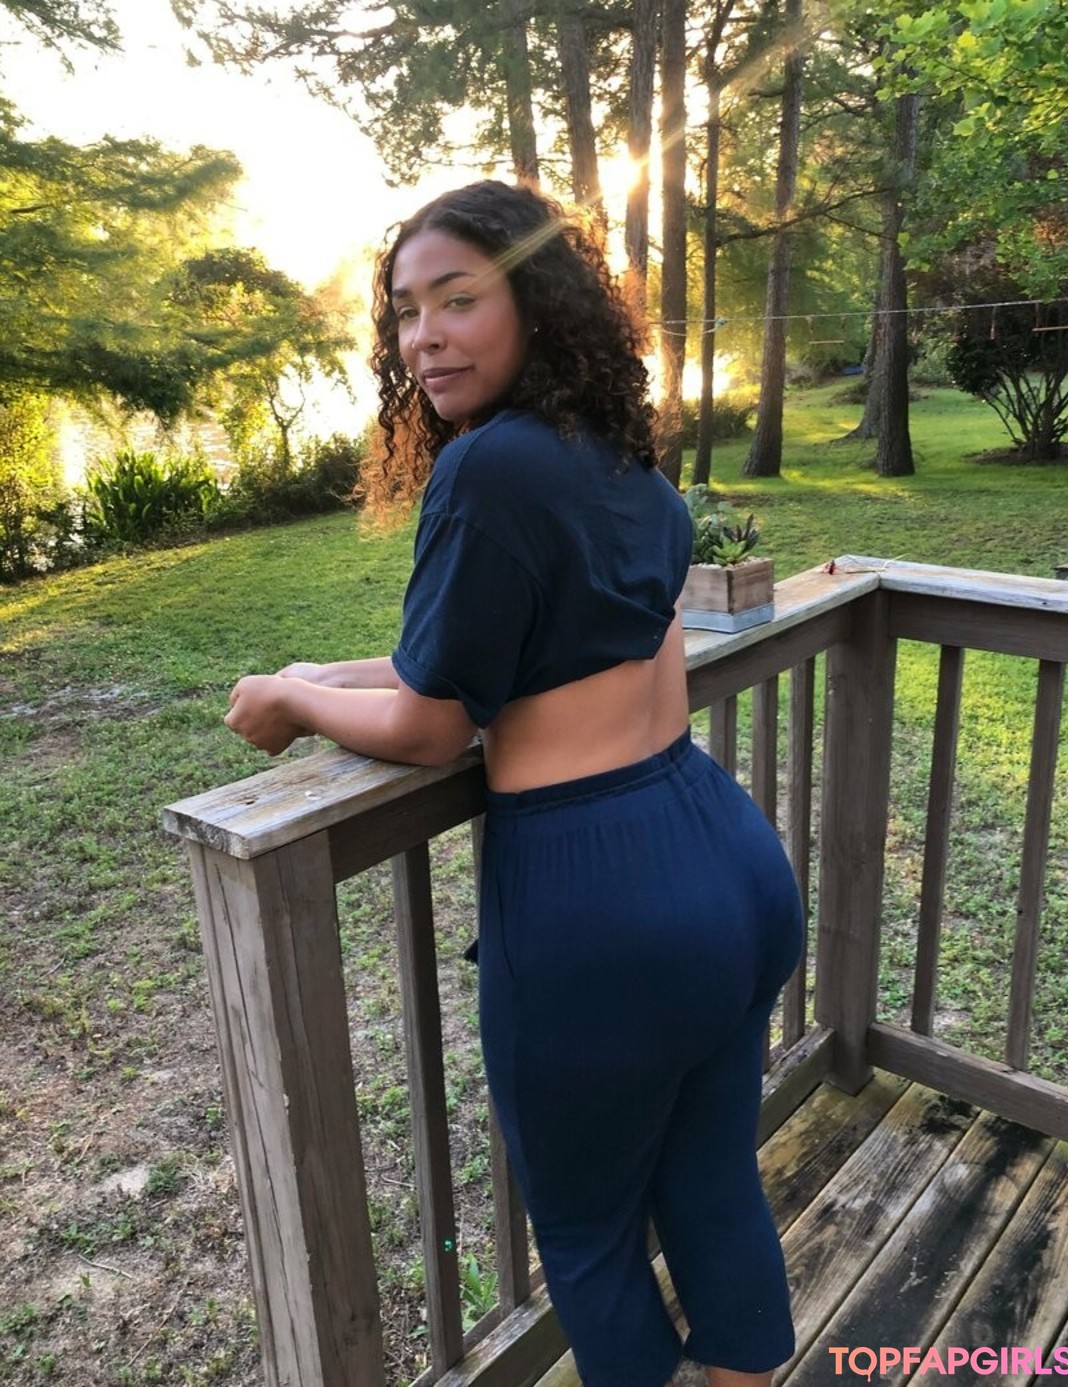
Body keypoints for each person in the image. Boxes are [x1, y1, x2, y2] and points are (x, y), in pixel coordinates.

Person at [224, 180, 804, 1387]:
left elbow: (434, 724)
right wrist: (314, 671)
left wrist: (292, 704)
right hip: (728, 861)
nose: (424, 337)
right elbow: (487, 658)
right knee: (710, 1179)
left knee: (589, 1238)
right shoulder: (621, 463)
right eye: (405, 312)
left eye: (458, 300)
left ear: (535, 302)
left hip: (600, 903)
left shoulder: (487, 469)